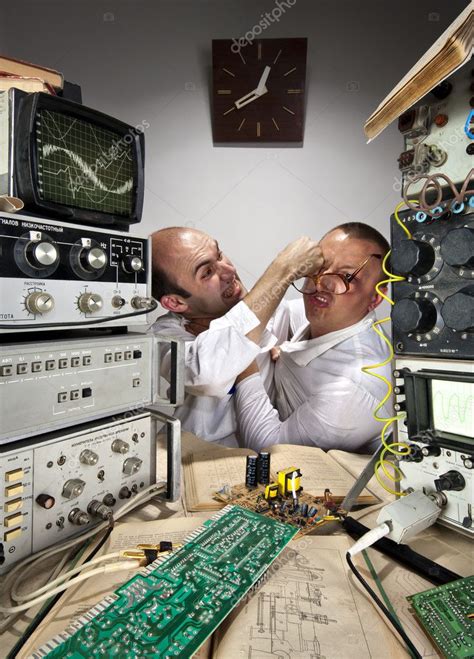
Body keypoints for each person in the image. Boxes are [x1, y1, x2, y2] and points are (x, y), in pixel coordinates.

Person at [150, 227, 323, 446]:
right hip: (192, 460)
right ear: (175, 303)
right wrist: (283, 269)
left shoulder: (277, 313)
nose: (229, 271)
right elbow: (209, 373)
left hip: (262, 461)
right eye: (207, 272)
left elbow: (345, 317)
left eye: (220, 254)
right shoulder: (162, 338)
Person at [234, 222, 392, 453]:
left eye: (347, 277)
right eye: (319, 267)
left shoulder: (354, 387)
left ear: (376, 299)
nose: (322, 284)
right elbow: (273, 311)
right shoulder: (329, 315)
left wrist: (243, 356)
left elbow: (269, 448)